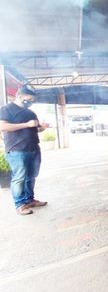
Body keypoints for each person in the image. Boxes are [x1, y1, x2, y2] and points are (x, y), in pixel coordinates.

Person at [0, 86, 49, 215]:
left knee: (31, 176)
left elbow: (35, 129)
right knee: (19, 177)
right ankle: (20, 205)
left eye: (33, 100)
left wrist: (42, 127)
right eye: (29, 99)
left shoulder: (31, 113)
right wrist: (26, 124)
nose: (31, 102)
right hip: (17, 150)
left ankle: (29, 199)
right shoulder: (6, 109)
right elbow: (3, 126)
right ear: (20, 96)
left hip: (33, 148)